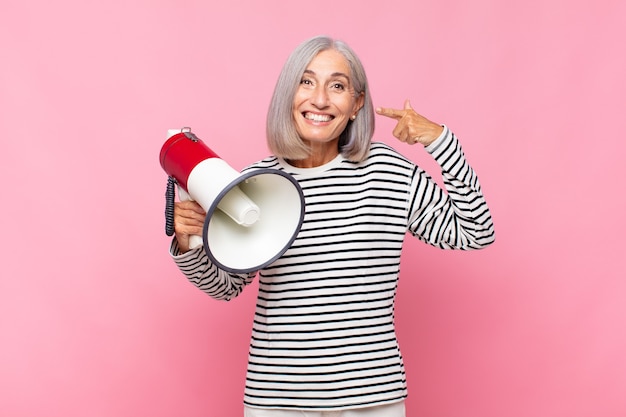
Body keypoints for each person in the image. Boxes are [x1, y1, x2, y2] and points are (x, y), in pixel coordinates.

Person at [169, 35, 495, 417]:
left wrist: (441, 140)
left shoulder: (387, 171)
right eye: (306, 82)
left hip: (372, 399)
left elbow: (475, 230)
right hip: (278, 400)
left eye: (337, 86)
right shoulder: (254, 184)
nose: (320, 99)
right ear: (288, 96)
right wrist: (189, 240)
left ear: (357, 104)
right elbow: (225, 287)